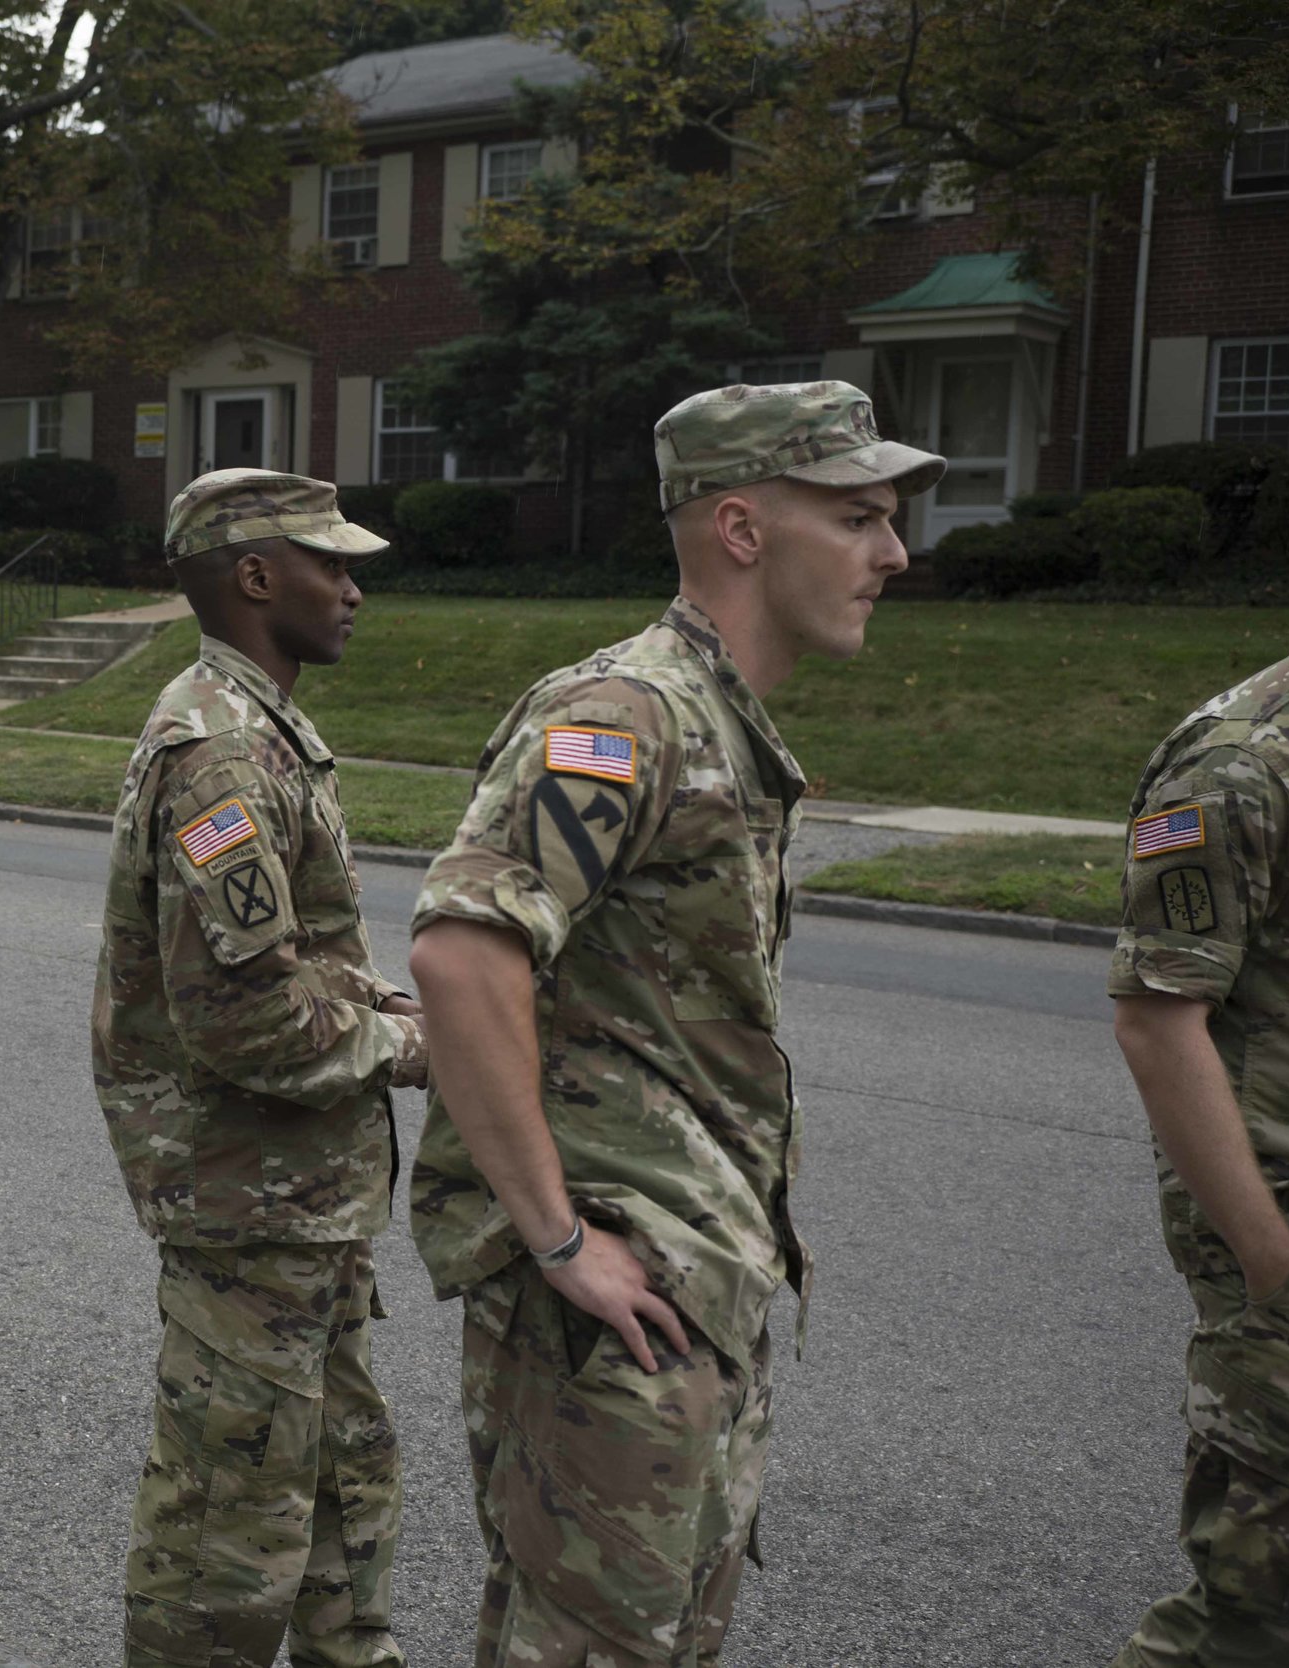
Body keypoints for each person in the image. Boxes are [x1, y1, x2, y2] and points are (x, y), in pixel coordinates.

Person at [404, 383, 944, 1666]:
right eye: (860, 518)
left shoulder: (715, 724)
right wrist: (557, 1240)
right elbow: (460, 955)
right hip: (614, 1305)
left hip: (687, 1289)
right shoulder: (623, 718)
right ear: (744, 529)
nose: (893, 554)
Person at [94, 467, 429, 1668]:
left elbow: (295, 967)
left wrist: (385, 1000)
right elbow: (244, 1023)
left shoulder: (262, 729)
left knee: (338, 1485)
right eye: (330, 565)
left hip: (302, 1200)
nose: (352, 589)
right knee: (226, 1530)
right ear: (253, 577)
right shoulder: (220, 757)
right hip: (251, 1203)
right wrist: (414, 1045)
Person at [1107, 653, 1289, 1668]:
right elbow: (1155, 1019)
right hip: (1279, 1217)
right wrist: (1271, 1269)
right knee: (1257, 1620)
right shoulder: (1236, 764)